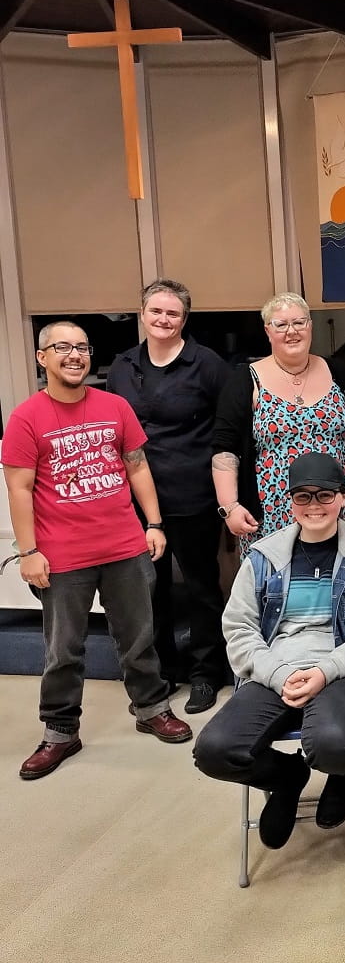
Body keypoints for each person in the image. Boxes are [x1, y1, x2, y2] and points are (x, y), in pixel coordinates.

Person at [3, 322, 192, 781]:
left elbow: (137, 467)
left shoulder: (114, 406)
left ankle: (151, 708)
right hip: (62, 555)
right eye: (62, 347)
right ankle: (60, 731)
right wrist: (28, 551)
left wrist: (153, 523)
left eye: (82, 348)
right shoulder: (26, 418)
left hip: (124, 545)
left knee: (138, 636)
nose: (74, 355)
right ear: (41, 357)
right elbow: (20, 488)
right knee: (62, 649)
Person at [193, 452, 345, 850]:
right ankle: (286, 778)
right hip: (278, 668)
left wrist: (325, 671)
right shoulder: (263, 558)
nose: (314, 506)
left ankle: (342, 774)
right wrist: (278, 673)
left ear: (343, 499)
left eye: (325, 496)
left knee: (334, 744)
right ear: (290, 502)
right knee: (214, 751)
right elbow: (238, 630)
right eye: (303, 497)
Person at [106, 278, 231, 713]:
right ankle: (161, 671)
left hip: (193, 493)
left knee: (200, 588)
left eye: (172, 313)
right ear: (142, 314)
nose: (163, 319)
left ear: (185, 319)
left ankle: (206, 673)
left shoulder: (207, 364)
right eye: (156, 311)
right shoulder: (122, 366)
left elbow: (227, 428)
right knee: (146, 590)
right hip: (133, 501)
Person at [211, 292, 345, 558]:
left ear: (310, 327)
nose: (291, 331)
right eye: (281, 325)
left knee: (341, 584)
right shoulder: (245, 381)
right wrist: (230, 506)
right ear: (268, 331)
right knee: (276, 589)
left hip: (339, 506)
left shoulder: (339, 373)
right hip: (273, 512)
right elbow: (224, 449)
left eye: (299, 323)